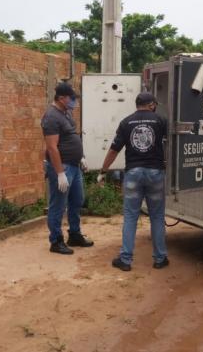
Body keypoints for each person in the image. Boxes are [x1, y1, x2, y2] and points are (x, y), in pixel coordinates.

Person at [98, 92, 168, 271]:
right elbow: (172, 144)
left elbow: (114, 150)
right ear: (151, 104)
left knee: (130, 217)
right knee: (157, 217)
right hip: (155, 172)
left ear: (137, 104)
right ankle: (160, 259)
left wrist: (103, 171)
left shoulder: (126, 122)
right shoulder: (160, 121)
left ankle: (126, 260)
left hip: (133, 173)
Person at [41, 82, 94, 254]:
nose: (74, 101)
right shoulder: (51, 117)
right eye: (71, 98)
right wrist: (59, 173)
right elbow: (52, 147)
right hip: (62, 168)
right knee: (58, 205)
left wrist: (81, 156)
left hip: (74, 165)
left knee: (77, 200)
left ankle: (74, 234)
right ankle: (56, 241)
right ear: (62, 98)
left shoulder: (66, 113)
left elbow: (72, 137)